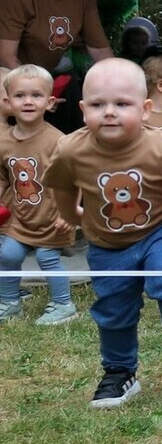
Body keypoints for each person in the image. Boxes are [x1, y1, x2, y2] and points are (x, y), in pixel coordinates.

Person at [44, 58, 162, 408]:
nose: (109, 112)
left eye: (121, 104)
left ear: (144, 110)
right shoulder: (70, 149)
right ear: (83, 110)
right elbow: (62, 188)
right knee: (113, 309)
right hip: (106, 242)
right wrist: (73, 216)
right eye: (98, 104)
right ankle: (119, 373)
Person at [0, 0, 114, 132]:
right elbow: (7, 56)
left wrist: (123, 83)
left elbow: (99, 49)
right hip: (9, 80)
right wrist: (35, 94)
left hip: (51, 78)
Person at [0, 65, 76, 325]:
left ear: (50, 101)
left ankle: (64, 304)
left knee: (47, 257)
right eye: (20, 96)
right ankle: (10, 302)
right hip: (19, 215)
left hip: (53, 215)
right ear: (8, 102)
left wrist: (71, 213)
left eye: (36, 95)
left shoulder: (59, 141)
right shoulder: (4, 141)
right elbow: (2, 176)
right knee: (8, 255)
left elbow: (76, 179)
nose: (28, 101)